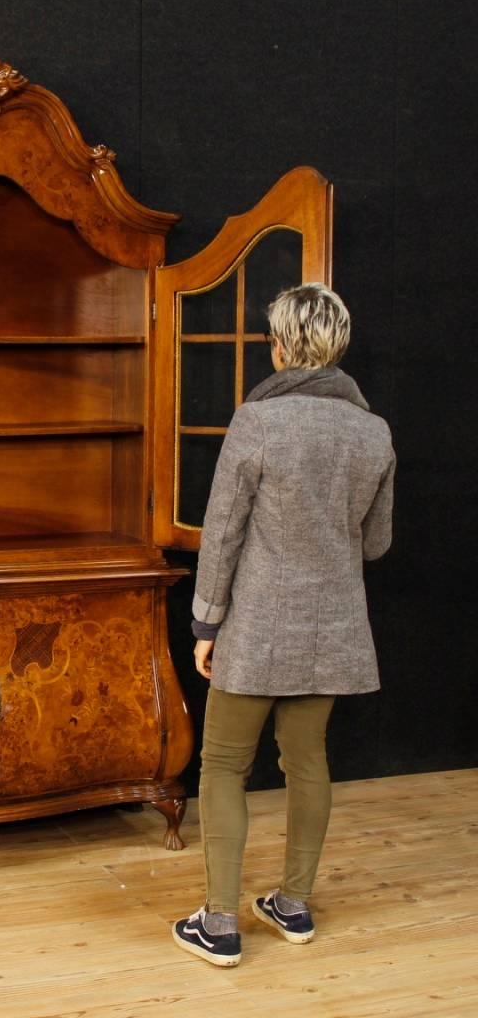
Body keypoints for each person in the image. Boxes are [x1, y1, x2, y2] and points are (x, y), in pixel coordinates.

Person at [171, 283, 395, 967]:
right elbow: (376, 542)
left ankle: (219, 923)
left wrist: (206, 623)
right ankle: (293, 905)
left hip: (258, 627)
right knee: (308, 763)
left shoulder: (258, 421)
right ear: (336, 346)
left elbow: (223, 533)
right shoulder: (373, 431)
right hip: (331, 626)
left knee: (223, 767)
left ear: (282, 345)